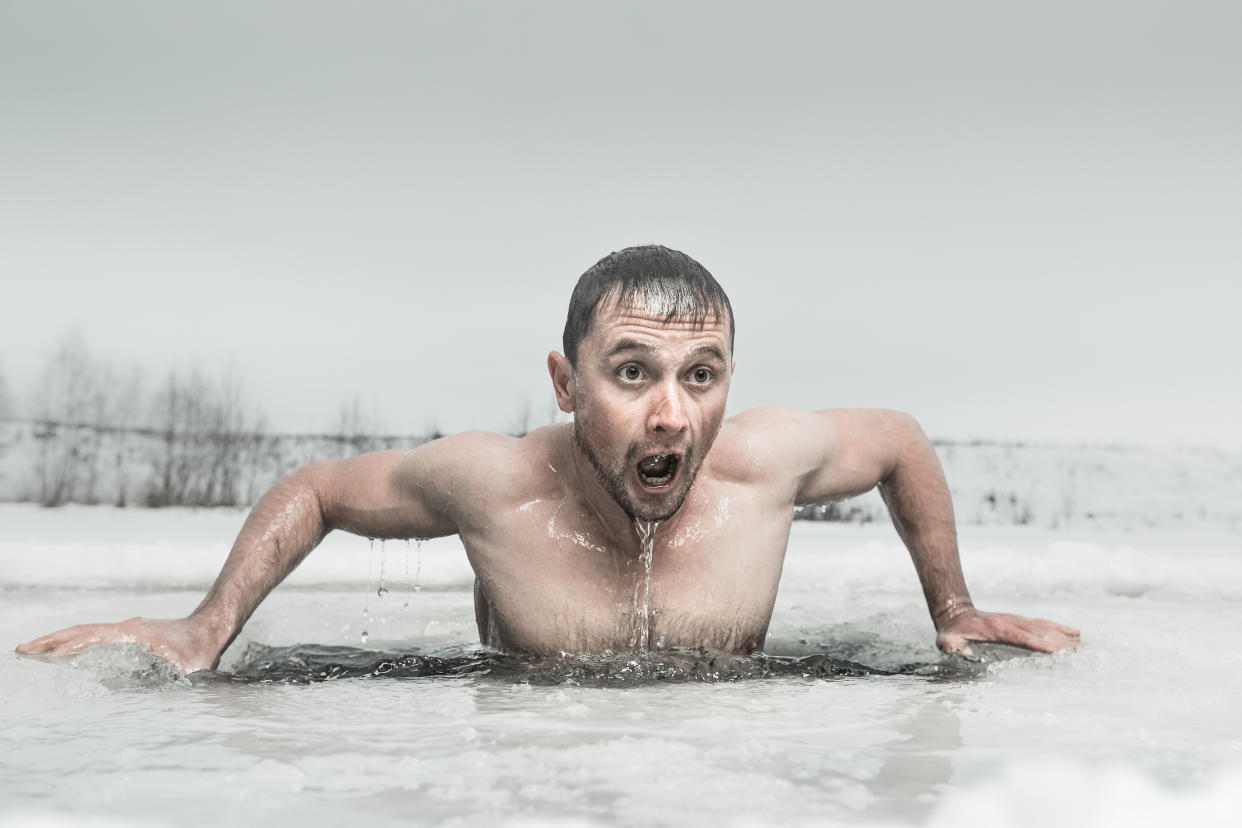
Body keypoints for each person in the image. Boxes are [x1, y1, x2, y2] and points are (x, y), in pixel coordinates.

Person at [16, 245, 1079, 673]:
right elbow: (320, 492)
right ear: (567, 385)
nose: (671, 413)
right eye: (631, 373)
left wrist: (955, 606)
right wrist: (208, 629)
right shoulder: (499, 486)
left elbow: (898, 438)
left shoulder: (763, 467)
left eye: (701, 376)